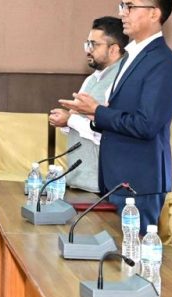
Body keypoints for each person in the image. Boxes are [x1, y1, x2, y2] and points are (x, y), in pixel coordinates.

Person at [60, 0, 172, 232]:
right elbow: (120, 115)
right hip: (116, 179)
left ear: (154, 13)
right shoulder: (131, 57)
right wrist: (94, 114)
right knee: (112, 251)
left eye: (130, 7)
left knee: (133, 252)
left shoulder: (163, 62)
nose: (122, 13)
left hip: (139, 182)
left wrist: (97, 112)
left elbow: (146, 124)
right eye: (122, 6)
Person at [47, 17, 128, 193]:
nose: (88, 50)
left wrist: (70, 120)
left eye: (94, 45)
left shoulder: (121, 81)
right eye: (87, 44)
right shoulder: (91, 79)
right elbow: (79, 122)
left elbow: (109, 133)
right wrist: (66, 121)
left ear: (113, 49)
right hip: (79, 179)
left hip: (102, 186)